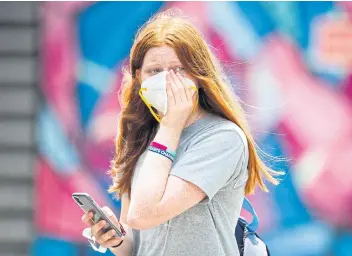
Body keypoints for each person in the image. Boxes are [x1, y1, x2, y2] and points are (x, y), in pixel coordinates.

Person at [81, 10, 280, 256]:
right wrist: (116, 239)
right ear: (139, 78)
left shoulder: (222, 138)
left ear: (198, 76)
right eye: (154, 71)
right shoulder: (142, 138)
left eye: (178, 69)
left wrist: (170, 126)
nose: (166, 80)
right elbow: (138, 242)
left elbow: (145, 214)